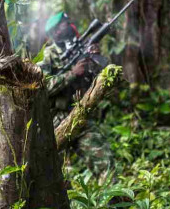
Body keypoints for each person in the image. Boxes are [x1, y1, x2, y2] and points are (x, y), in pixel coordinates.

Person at [38, 11, 114, 178]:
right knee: (50, 174)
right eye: (65, 24)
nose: (70, 26)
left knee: (105, 164)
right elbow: (42, 87)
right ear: (56, 31)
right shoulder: (48, 55)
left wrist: (94, 59)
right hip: (55, 120)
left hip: (80, 113)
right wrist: (72, 74)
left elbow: (100, 80)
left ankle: (112, 202)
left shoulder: (80, 46)